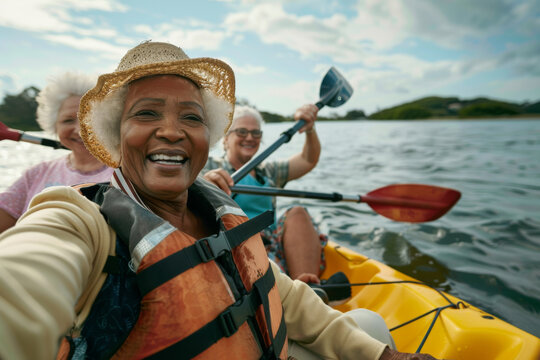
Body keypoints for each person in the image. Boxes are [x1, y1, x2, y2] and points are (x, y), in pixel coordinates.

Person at [0, 41, 439, 360]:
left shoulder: (216, 215)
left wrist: (383, 356)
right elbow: (24, 280)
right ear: (115, 139)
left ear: (205, 139)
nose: (172, 130)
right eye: (147, 112)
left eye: (190, 117)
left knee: (371, 328)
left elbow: (280, 291)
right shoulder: (76, 216)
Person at [203, 105, 326, 284]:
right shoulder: (207, 167)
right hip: (233, 244)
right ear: (226, 139)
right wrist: (205, 183)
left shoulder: (268, 171)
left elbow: (308, 160)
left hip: (270, 242)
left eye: (256, 133)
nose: (250, 138)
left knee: (297, 213)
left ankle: (307, 285)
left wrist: (310, 129)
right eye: (242, 132)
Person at [0, 72, 113, 233]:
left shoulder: (131, 173)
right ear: (55, 126)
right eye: (68, 120)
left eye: (90, 119)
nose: (80, 131)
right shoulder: (35, 174)